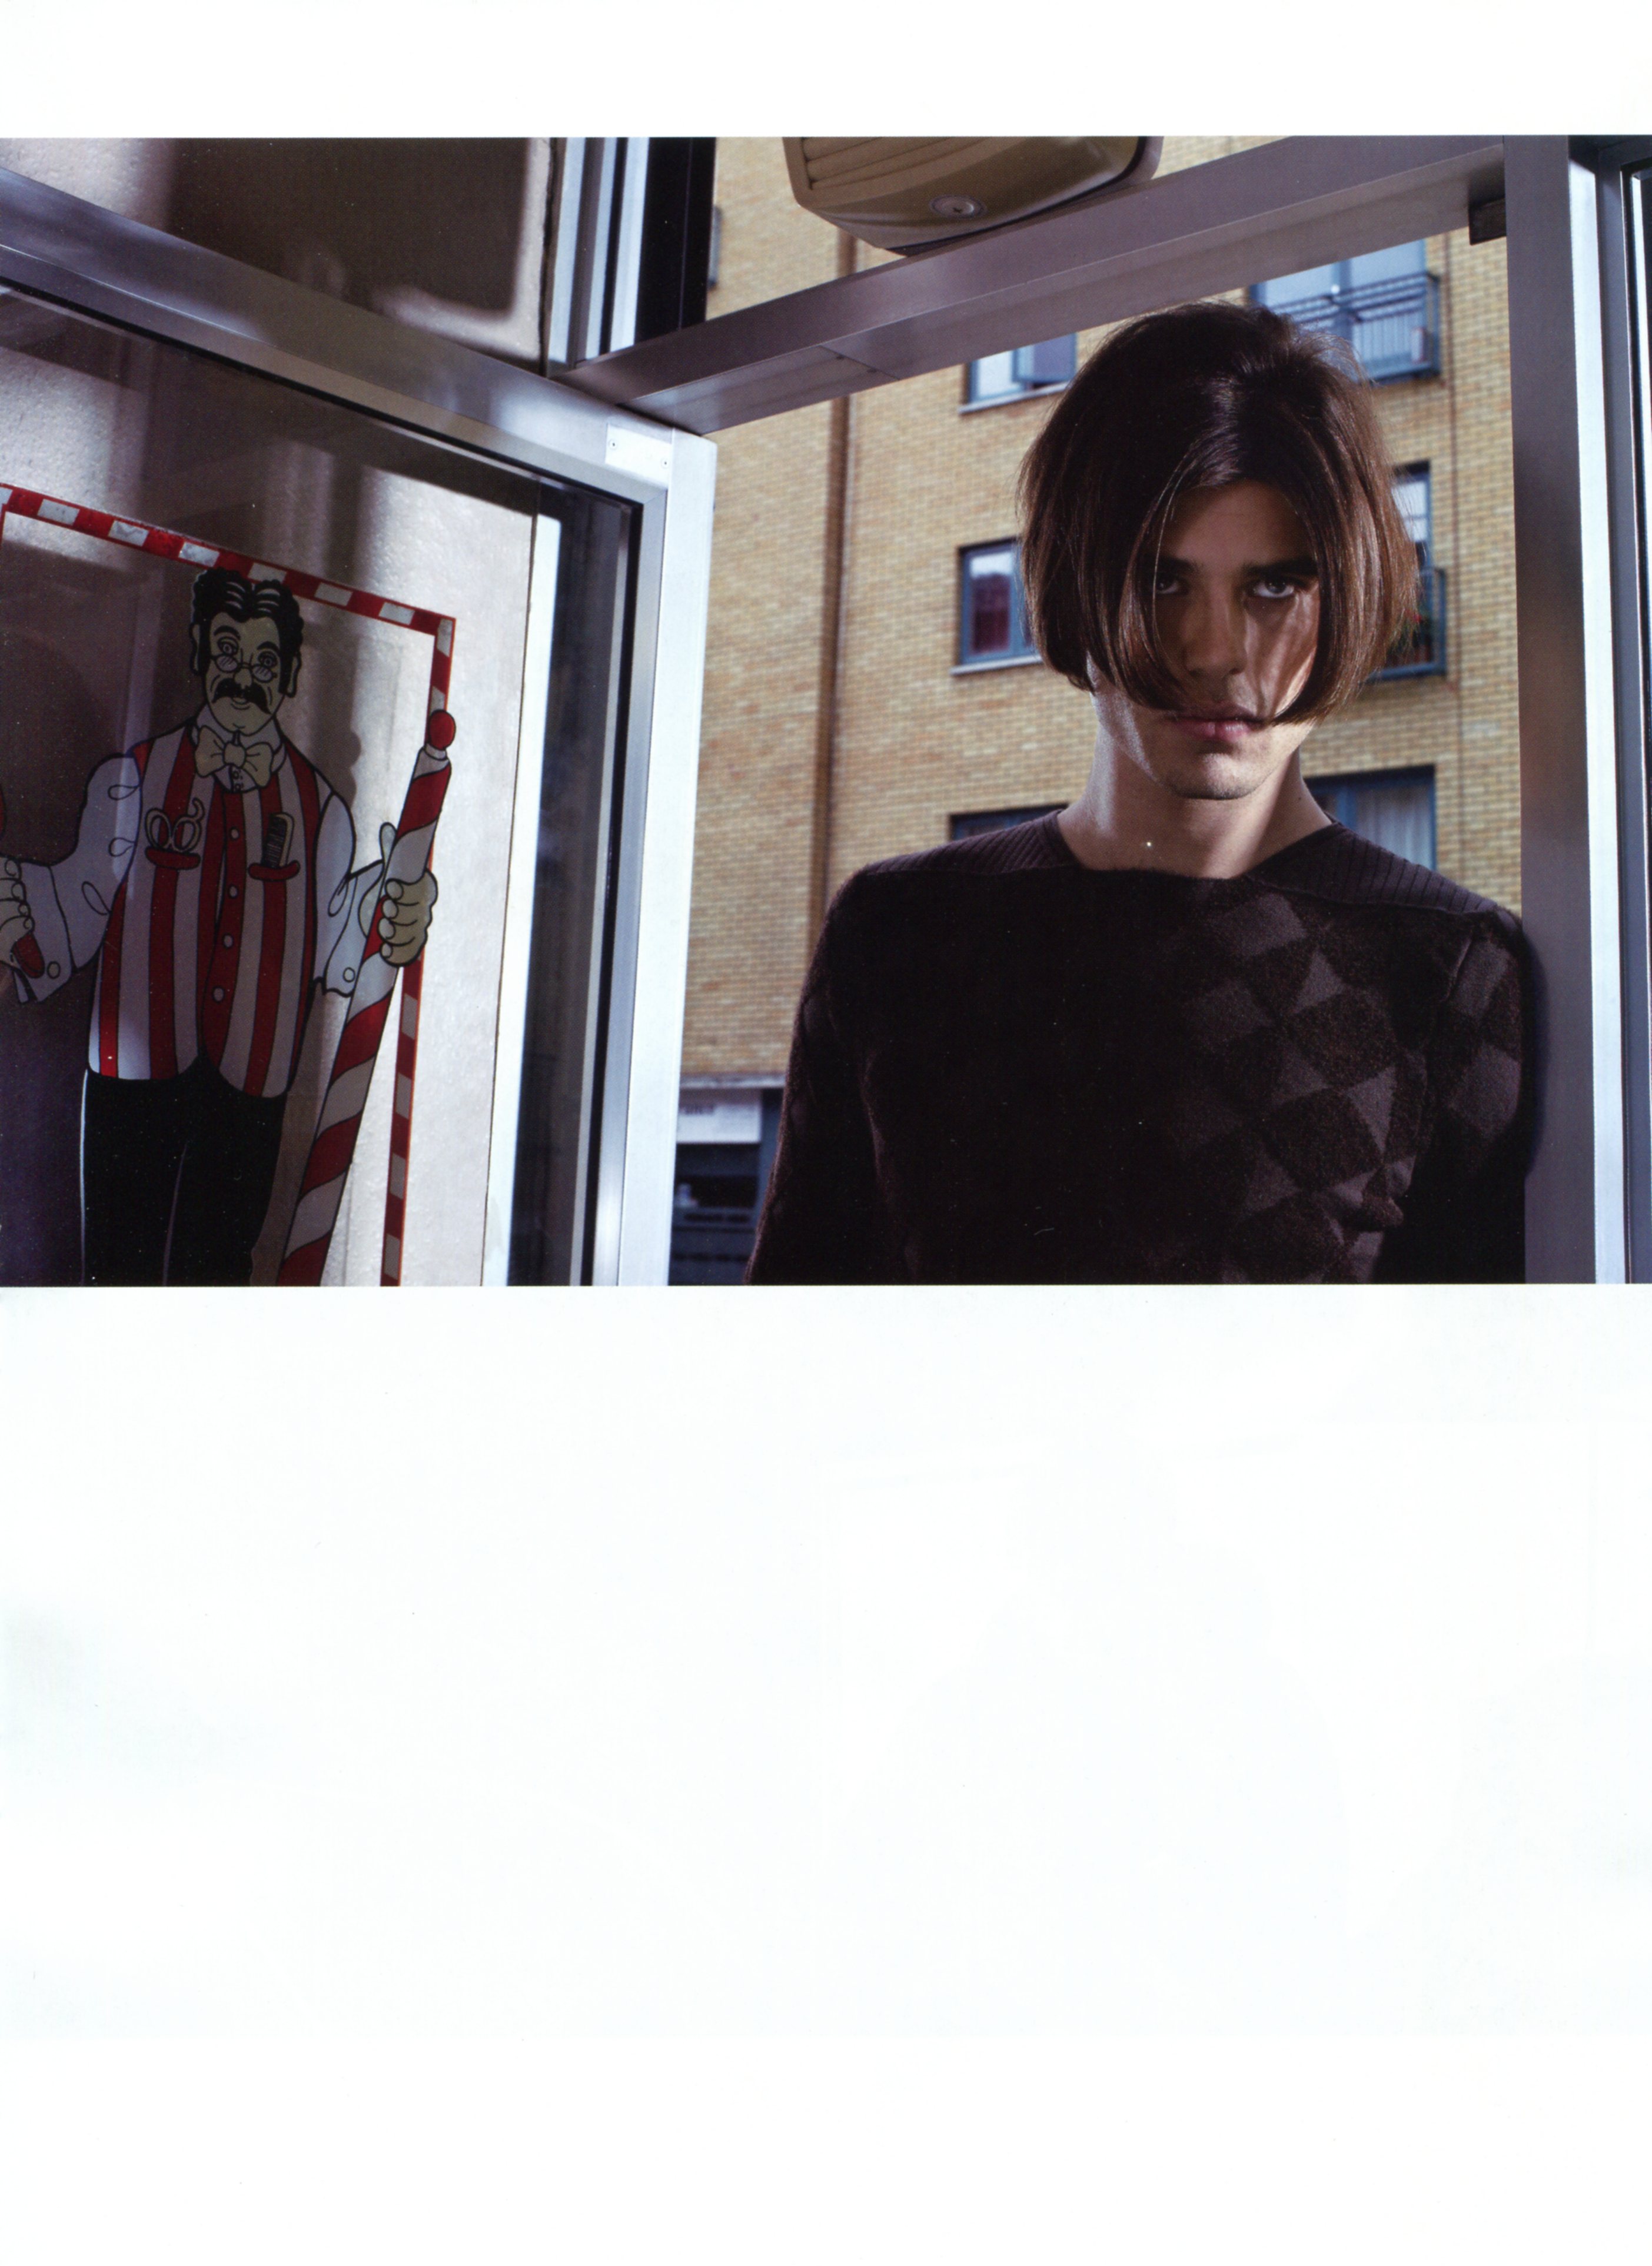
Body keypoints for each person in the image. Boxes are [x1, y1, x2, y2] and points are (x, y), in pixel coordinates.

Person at [747, 300, 1530, 1285]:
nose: (1214, 653)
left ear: (1348, 596)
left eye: (1274, 588)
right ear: (1076, 587)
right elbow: (795, 1339)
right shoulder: (893, 930)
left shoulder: (1451, 967)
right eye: (1163, 583)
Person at [0, 567, 436, 1284]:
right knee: (116, 1269)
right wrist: (16, 906)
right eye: (228, 651)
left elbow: (339, 942)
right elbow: (78, 903)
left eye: (264, 661)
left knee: (218, 1277)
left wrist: (389, 912)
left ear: (289, 676)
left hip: (250, 1088)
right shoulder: (134, 780)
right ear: (201, 652)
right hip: (132, 1080)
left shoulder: (323, 813)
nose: (243, 677)